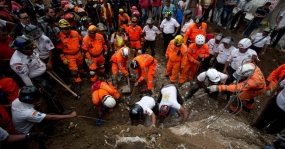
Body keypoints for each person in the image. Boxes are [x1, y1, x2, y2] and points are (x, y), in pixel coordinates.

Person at [11, 86, 77, 133]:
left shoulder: (16, 101)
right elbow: (51, 117)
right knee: (51, 117)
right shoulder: (28, 113)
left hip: (22, 125)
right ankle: (46, 131)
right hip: (28, 130)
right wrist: (71, 115)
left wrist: (34, 106)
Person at [56, 19, 84, 87]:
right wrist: (63, 59)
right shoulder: (59, 37)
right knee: (74, 71)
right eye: (65, 29)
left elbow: (80, 41)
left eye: (68, 28)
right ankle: (79, 82)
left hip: (78, 53)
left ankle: (82, 76)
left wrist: (82, 50)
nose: (67, 30)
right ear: (61, 29)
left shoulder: (75, 33)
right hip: (69, 56)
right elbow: (59, 50)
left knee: (81, 66)